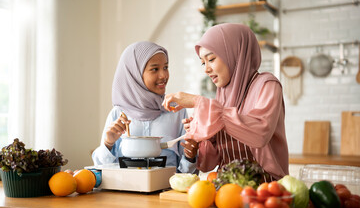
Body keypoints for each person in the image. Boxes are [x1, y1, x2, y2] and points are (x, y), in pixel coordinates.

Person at [162, 23, 289, 180]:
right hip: (227, 188)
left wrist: (199, 103)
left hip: (266, 189)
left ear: (235, 54)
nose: (206, 69)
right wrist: (200, 140)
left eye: (211, 59)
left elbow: (259, 134)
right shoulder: (221, 96)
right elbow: (208, 164)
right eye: (203, 62)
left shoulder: (267, 85)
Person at [92, 41, 197, 174]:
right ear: (134, 74)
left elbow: (187, 175)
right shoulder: (118, 113)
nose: (164, 75)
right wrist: (108, 143)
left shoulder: (176, 111)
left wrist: (191, 157)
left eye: (165, 67)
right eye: (155, 69)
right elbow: (102, 170)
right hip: (125, 192)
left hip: (167, 192)